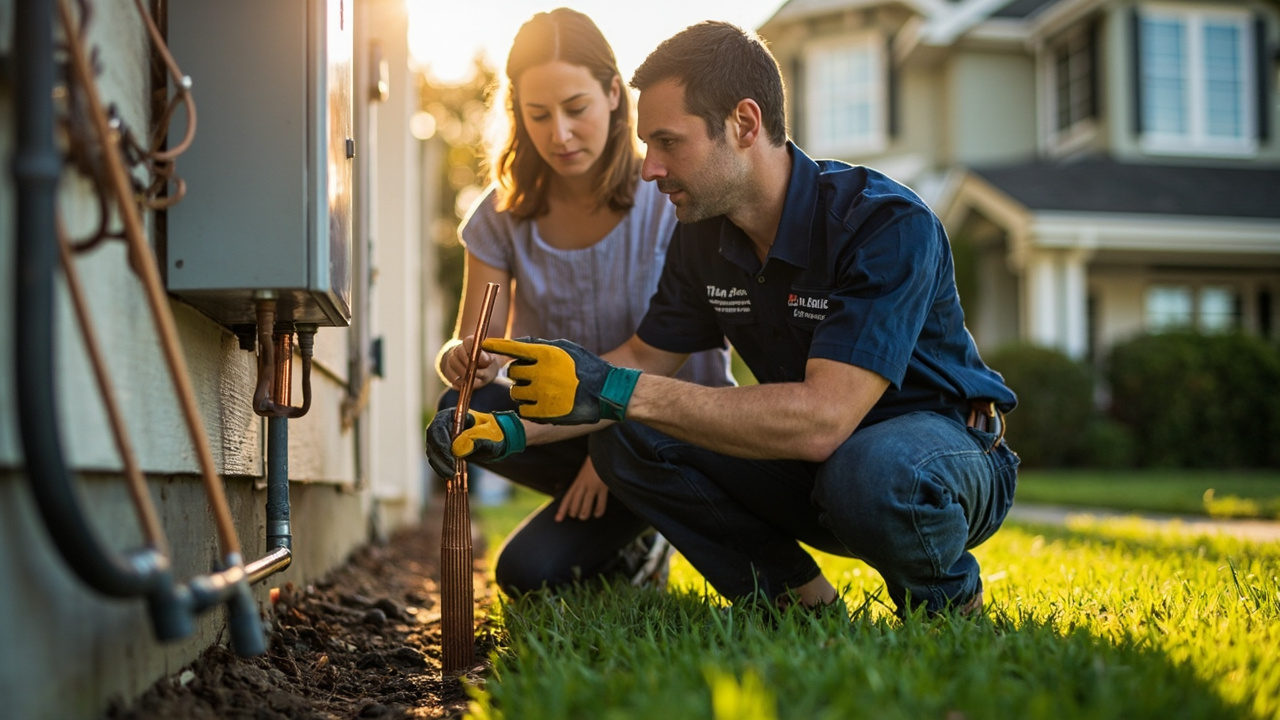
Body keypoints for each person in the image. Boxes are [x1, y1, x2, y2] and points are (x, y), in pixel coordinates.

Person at [428, 20, 1018, 617]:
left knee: (868, 470)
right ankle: (800, 607)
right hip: (817, 467)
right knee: (628, 434)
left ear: (744, 124)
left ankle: (949, 611)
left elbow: (824, 420)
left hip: (937, 459)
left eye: (668, 143)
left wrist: (615, 390)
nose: (650, 167)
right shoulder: (704, 238)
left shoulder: (884, 225)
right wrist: (512, 429)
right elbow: (637, 362)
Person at [432, 9, 734, 597]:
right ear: (516, 110)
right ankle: (639, 534)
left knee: (532, 562)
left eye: (576, 108)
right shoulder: (499, 218)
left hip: (671, 430)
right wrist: (464, 358)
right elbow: (478, 349)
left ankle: (652, 508)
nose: (560, 134)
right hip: (564, 434)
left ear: (615, 95)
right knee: (462, 414)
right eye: (538, 114)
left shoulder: (671, 193)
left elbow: (663, 360)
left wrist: (610, 453)